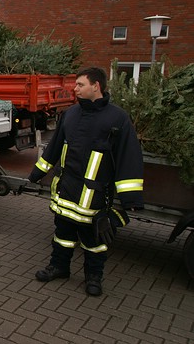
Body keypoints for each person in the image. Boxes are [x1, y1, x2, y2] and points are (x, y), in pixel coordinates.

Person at [28, 66, 143, 296]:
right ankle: (59, 267)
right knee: (62, 233)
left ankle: (94, 277)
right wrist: (37, 173)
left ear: (96, 86)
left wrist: (130, 198)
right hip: (66, 191)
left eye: (80, 84)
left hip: (94, 195)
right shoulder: (70, 114)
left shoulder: (117, 118)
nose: (75, 88)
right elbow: (55, 147)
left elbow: (127, 157)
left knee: (94, 240)